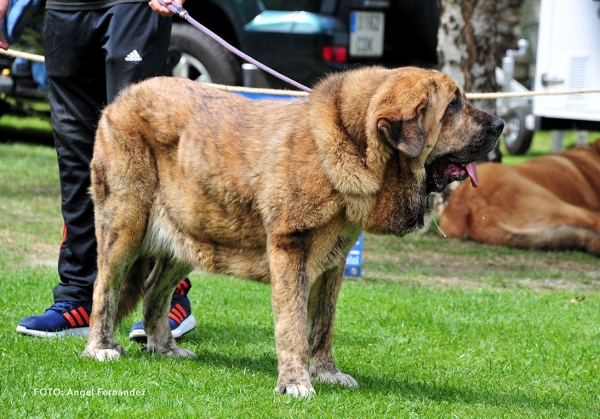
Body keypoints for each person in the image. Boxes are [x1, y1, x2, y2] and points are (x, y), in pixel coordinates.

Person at [0, 0, 196, 339]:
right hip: (65, 10)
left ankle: (166, 295)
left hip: (133, 7)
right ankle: (78, 294)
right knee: (76, 159)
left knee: (142, 157)